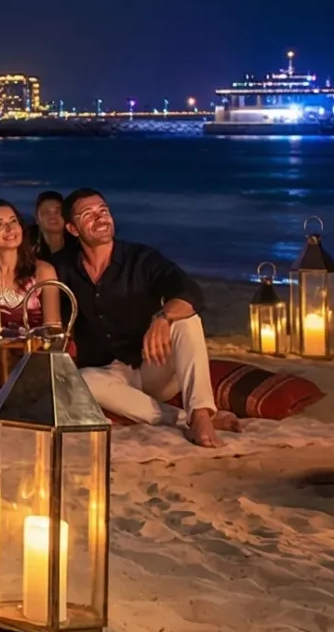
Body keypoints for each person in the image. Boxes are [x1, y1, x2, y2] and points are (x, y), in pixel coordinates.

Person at [48, 189, 235, 447]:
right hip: (108, 374)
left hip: (153, 364)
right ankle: (184, 419)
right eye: (88, 214)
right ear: (72, 229)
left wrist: (162, 318)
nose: (100, 218)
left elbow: (188, 291)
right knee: (81, 381)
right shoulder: (62, 267)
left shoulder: (141, 259)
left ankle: (201, 414)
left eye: (103, 210)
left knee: (187, 320)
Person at [0, 199, 60, 334]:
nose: (10, 228)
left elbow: (53, 329)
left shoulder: (43, 271)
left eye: (13, 221)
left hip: (32, 347)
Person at [31, 190, 74, 265]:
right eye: (46, 212)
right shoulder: (29, 253)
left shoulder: (79, 250)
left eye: (57, 211)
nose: (52, 216)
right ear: (37, 219)